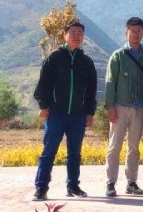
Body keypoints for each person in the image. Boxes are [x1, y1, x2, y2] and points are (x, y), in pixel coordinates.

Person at [33, 20, 97, 201]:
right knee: (49, 151)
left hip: (78, 114)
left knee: (75, 153)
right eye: (73, 32)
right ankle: (41, 187)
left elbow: (91, 90)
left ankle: (73, 186)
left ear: (83, 37)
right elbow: (43, 85)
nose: (77, 35)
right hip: (56, 113)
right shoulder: (54, 58)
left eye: (80, 33)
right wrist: (43, 106)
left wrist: (90, 112)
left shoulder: (86, 62)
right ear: (65, 34)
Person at [104, 17, 143, 197]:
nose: (135, 33)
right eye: (132, 30)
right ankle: (110, 183)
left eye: (139, 30)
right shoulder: (118, 56)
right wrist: (110, 107)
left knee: (134, 147)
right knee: (114, 146)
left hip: (141, 108)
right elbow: (110, 82)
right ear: (126, 32)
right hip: (120, 107)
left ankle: (131, 182)